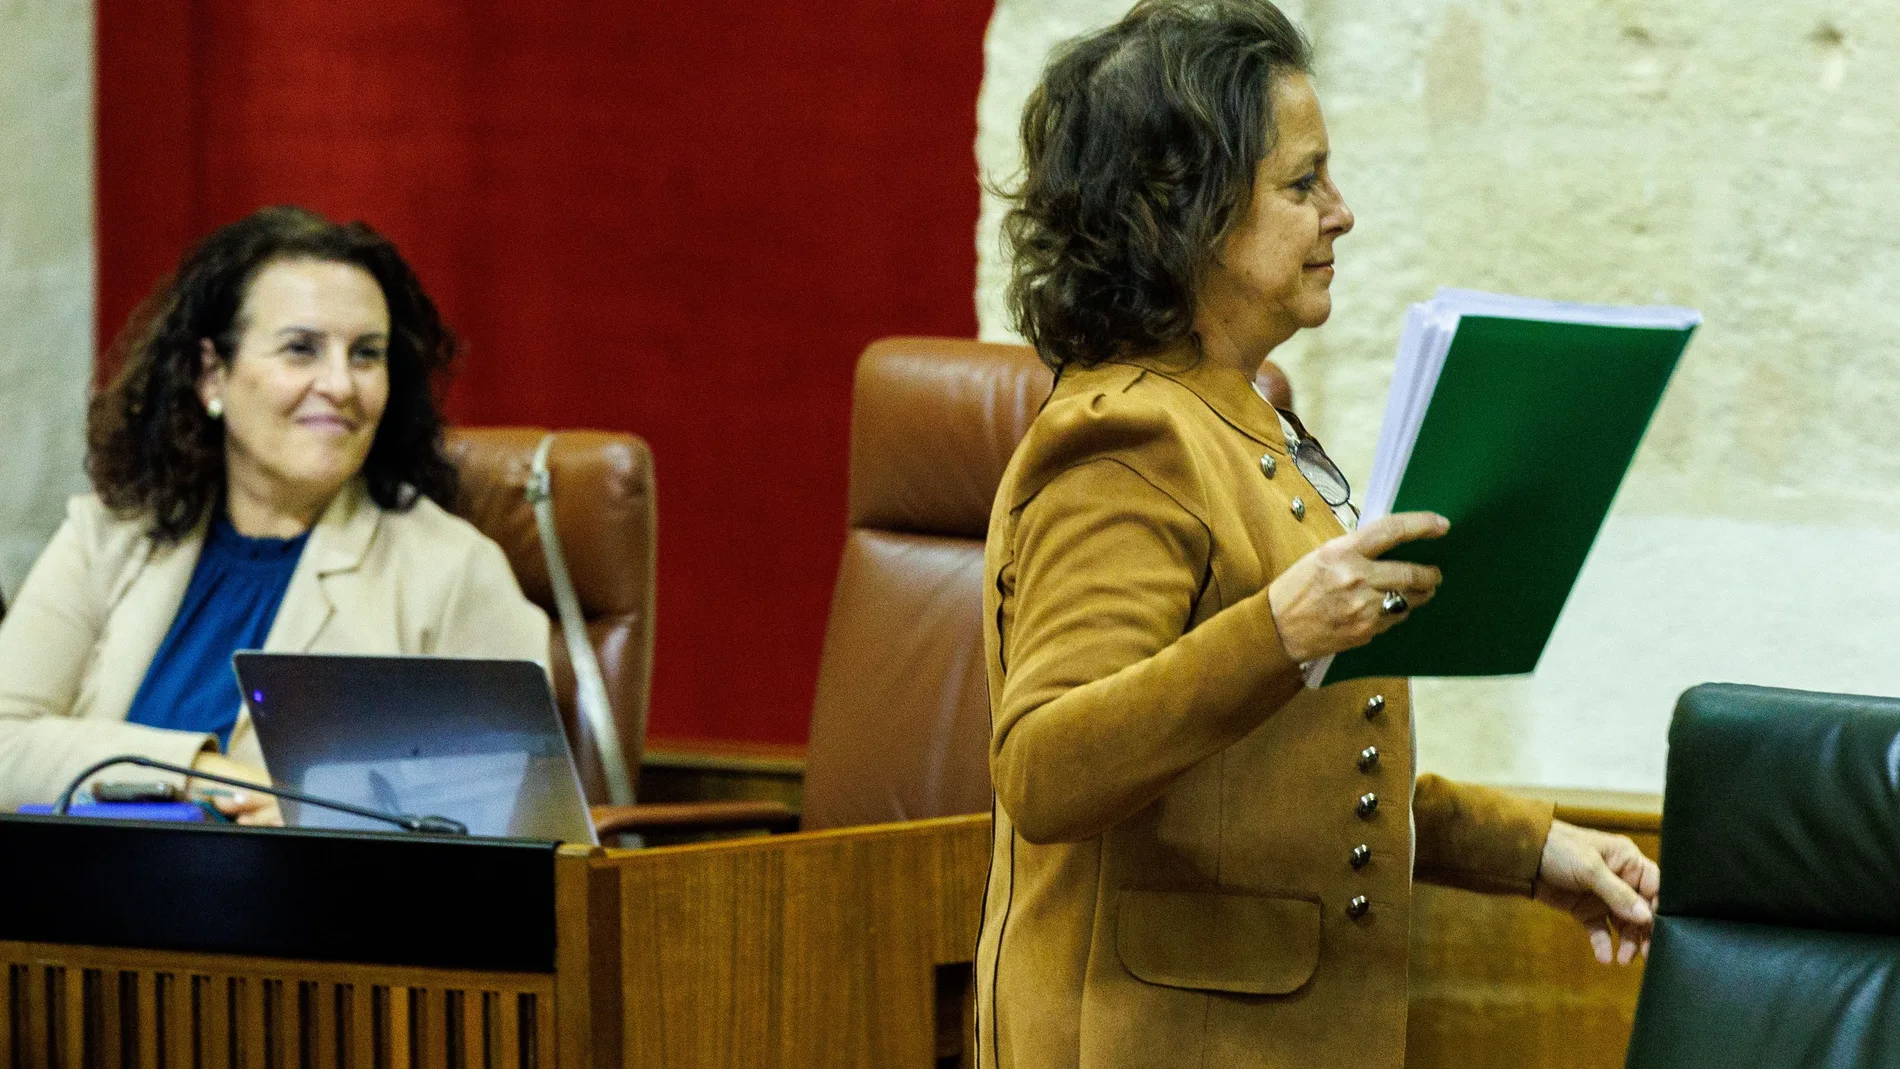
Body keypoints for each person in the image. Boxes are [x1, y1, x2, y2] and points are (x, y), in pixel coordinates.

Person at [975, 3, 1660, 1067]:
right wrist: (1277, 633)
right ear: (1181, 211)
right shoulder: (1125, 441)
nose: (1340, 214)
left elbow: (1298, 767)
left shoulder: (1248, 418)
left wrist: (1539, 849)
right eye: (1302, 184)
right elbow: (1045, 767)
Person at [0, 206, 548, 821]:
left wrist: (313, 811)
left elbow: (507, 807)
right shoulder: (107, 535)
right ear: (213, 374)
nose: (341, 384)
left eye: (366, 354)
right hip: (76, 908)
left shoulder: (452, 572)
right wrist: (198, 774)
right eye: (301, 350)